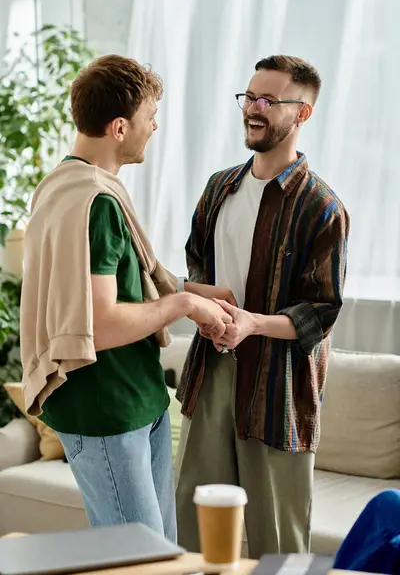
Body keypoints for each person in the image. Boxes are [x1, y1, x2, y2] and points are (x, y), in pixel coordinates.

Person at [19, 55, 235, 543]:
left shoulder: (61, 185)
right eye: (148, 118)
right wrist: (185, 306)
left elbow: (124, 281)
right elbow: (102, 321)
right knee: (138, 562)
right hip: (107, 410)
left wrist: (198, 292)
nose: (154, 127)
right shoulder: (95, 203)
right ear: (119, 128)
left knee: (162, 555)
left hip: (137, 401)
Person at [175, 55, 350, 558]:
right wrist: (203, 308)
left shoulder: (323, 208)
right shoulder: (219, 188)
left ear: (302, 114)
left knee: (280, 544)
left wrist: (251, 324)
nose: (254, 108)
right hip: (211, 373)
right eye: (250, 97)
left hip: (279, 391)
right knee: (195, 527)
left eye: (269, 100)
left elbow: (321, 310)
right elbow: (195, 268)